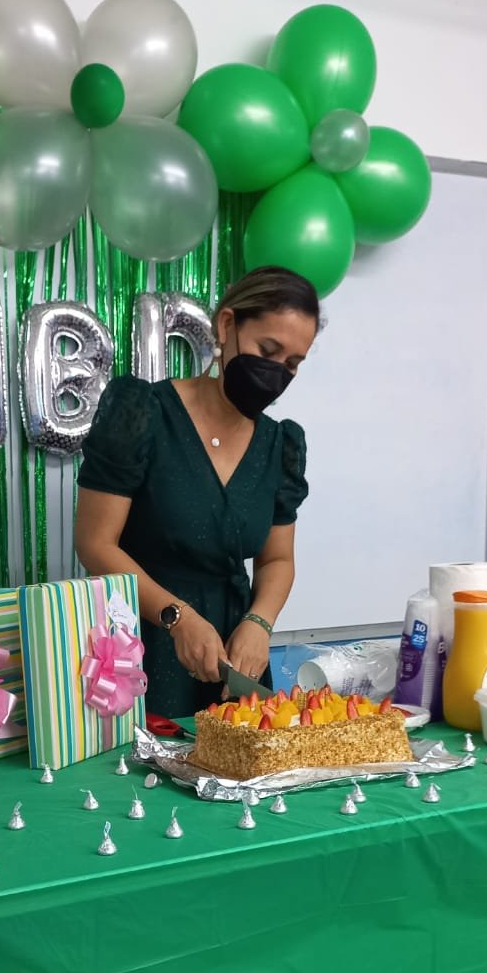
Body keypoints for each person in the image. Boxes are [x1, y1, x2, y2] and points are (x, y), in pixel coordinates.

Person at [75, 265, 320, 718]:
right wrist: (177, 618)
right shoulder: (142, 413)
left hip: (234, 658)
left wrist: (259, 623)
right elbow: (95, 543)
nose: (276, 373)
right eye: (268, 351)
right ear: (227, 325)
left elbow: (277, 559)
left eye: (291, 364)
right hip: (141, 646)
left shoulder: (280, 445)